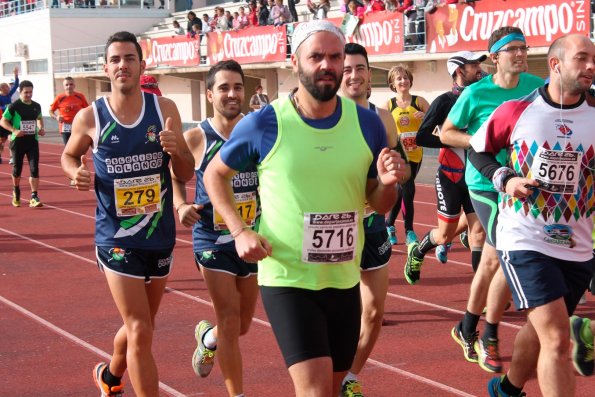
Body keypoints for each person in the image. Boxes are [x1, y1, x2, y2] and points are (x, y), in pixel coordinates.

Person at [203, 20, 406, 397]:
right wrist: (239, 230)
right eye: (316, 57)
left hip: (344, 278)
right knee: (313, 390)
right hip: (288, 278)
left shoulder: (367, 124)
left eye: (334, 57)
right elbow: (215, 175)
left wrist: (389, 185)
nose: (327, 65)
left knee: (330, 389)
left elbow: (376, 202)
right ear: (295, 63)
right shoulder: (265, 122)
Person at [60, 31, 194, 397]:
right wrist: (75, 172)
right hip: (115, 238)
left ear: (141, 65)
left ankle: (109, 375)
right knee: (139, 330)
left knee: (144, 324)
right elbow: (69, 155)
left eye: (129, 58)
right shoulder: (91, 117)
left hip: (159, 234)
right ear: (106, 68)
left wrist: (176, 149)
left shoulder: (164, 110)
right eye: (115, 59)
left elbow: (185, 173)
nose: (122, 65)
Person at [466, 33, 595, 397]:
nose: (590, 67)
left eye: (594, 60)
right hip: (524, 238)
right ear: (555, 65)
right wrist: (504, 178)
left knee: (540, 333)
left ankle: (507, 390)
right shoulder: (516, 110)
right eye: (582, 58)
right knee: (557, 337)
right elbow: (479, 151)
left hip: (577, 242)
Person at [440, 27, 544, 374]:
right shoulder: (475, 92)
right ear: (494, 57)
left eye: (523, 48)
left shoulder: (535, 86)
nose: (520, 54)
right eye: (512, 49)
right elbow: (447, 132)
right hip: (484, 182)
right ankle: (490, 335)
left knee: (489, 262)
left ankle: (466, 327)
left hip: (520, 182)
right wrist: (479, 140)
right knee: (504, 257)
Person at [172, 60, 258, 397]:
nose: (232, 93)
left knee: (243, 325)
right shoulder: (197, 137)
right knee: (230, 317)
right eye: (223, 88)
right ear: (210, 95)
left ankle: (208, 338)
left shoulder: (255, 132)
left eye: (237, 87)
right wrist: (181, 205)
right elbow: (176, 175)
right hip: (211, 239)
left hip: (250, 237)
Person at [338, 42, 409, 397]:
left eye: (360, 68)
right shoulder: (322, 117)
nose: (353, 74)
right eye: (346, 68)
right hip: (334, 229)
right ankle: (328, 375)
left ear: (369, 74)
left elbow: (403, 168)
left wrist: (398, 172)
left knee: (374, 314)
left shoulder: (382, 119)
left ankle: (348, 377)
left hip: (372, 225)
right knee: (337, 315)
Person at [407, 51, 486, 279]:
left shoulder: (482, 97)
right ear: (460, 71)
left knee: (478, 234)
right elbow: (421, 137)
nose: (480, 67)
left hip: (475, 176)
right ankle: (419, 251)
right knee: (444, 236)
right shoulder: (444, 101)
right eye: (474, 65)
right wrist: (452, 139)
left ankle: (480, 295)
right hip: (450, 178)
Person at [385, 65, 430, 247]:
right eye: (399, 79)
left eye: (405, 77)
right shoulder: (389, 105)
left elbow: (436, 121)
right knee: (408, 189)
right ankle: (409, 231)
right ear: (393, 84)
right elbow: (382, 126)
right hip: (398, 152)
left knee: (401, 191)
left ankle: (389, 225)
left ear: (410, 80)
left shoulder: (419, 101)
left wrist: (425, 117)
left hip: (416, 153)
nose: (403, 81)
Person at [1, 80, 44, 208]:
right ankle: (16, 190)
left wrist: (41, 128)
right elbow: (3, 122)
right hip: (17, 142)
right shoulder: (14, 106)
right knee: (17, 169)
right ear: (20, 92)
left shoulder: (37, 106)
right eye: (26, 92)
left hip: (32, 141)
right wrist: (14, 130)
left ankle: (34, 196)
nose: (29, 95)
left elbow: (40, 119)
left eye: (31, 92)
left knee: (34, 168)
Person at [49, 77, 89, 147]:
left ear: (74, 85)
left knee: (78, 147)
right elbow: (50, 111)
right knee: (68, 147)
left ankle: (78, 158)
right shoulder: (59, 98)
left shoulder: (80, 96)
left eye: (71, 84)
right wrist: (56, 117)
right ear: (64, 86)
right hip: (65, 127)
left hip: (78, 125)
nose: (69, 86)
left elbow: (87, 109)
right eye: (66, 85)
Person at [0, 67, 19, 164]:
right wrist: (5, 107)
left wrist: (16, 75)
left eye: (8, 87)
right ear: (1, 89)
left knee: (11, 137)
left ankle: (12, 157)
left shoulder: (8, 95)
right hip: (1, 120)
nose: (9, 88)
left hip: (9, 120)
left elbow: (16, 86)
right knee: (1, 140)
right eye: (6, 87)